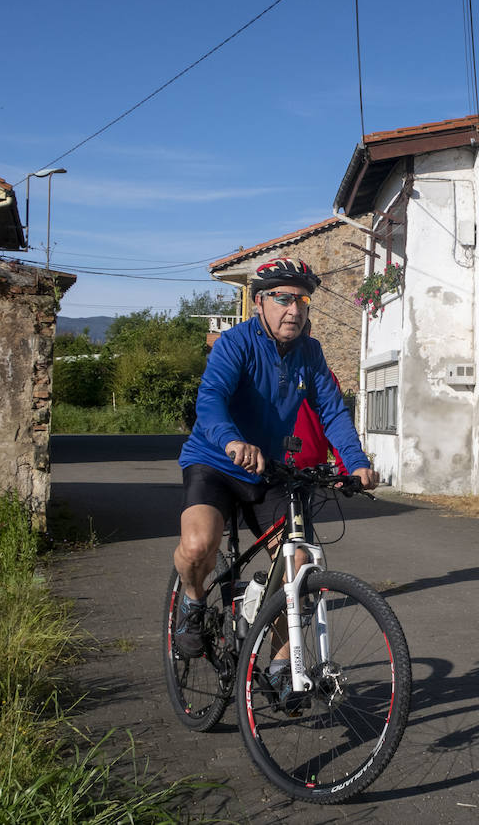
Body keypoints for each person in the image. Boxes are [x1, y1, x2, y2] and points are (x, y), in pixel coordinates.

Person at [172, 257, 378, 659]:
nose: (294, 310)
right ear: (259, 302)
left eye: (302, 301)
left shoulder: (309, 353)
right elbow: (211, 398)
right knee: (198, 546)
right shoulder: (236, 344)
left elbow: (332, 410)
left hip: (270, 469)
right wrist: (232, 441)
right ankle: (193, 603)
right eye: (283, 299)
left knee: (297, 565)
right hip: (215, 461)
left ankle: (285, 668)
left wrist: (355, 462)